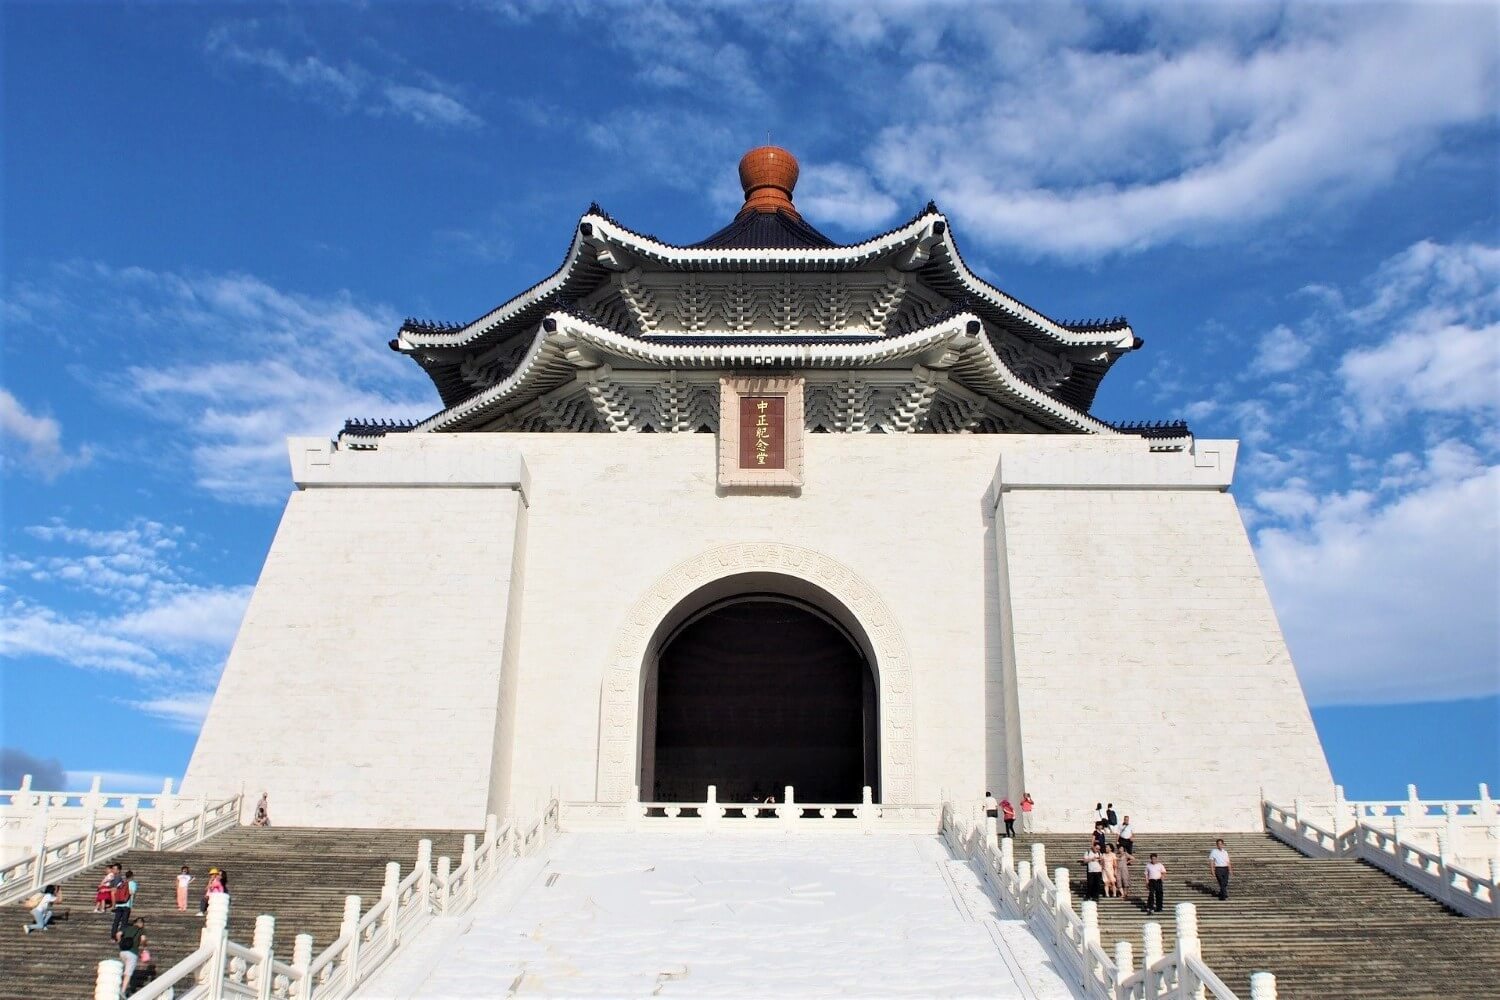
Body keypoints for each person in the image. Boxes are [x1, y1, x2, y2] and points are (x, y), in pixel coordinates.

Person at [118, 917, 145, 993]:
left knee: (122, 969)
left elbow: (118, 934)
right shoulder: (141, 930)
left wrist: (120, 942)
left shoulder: (128, 928)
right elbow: (143, 939)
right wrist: (144, 945)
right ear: (141, 923)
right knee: (128, 973)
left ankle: (118, 984)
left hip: (123, 952)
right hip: (133, 953)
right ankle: (122, 991)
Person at [110, 869, 137, 940]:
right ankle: (121, 935)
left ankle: (113, 935)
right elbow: (132, 893)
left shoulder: (121, 883)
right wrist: (131, 905)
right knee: (124, 922)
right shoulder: (133, 883)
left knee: (116, 920)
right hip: (126, 904)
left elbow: (116, 891)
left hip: (119, 904)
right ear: (132, 876)